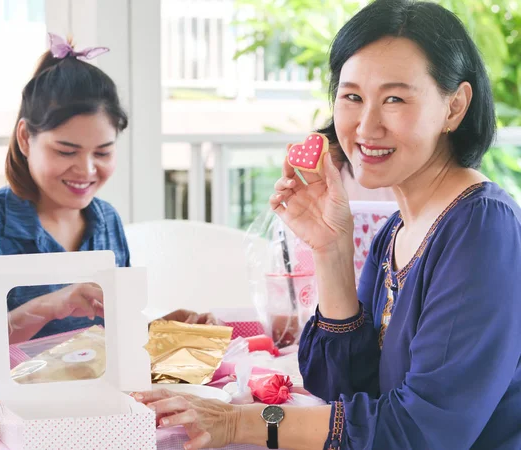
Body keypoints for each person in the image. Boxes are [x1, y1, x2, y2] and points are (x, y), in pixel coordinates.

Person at [134, 1, 521, 449]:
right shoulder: (396, 231)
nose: (365, 125)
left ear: (455, 107)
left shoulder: (482, 229)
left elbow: (421, 431)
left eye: (395, 98)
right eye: (352, 97)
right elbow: (347, 392)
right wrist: (331, 248)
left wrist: (240, 422)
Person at [0, 34, 213, 344]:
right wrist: (49, 307)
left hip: (98, 392)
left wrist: (167, 330)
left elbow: (110, 336)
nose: (87, 170)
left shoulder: (106, 222)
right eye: (66, 151)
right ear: (25, 138)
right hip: (13, 394)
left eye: (103, 152)